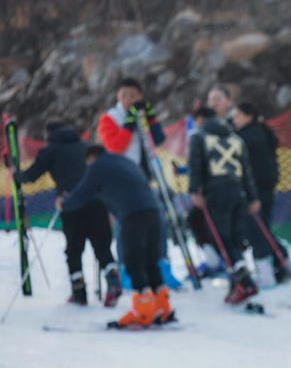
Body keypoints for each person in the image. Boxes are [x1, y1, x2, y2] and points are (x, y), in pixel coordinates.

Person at [59, 146, 175, 327]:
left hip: (132, 215)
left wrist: (64, 204)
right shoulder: (125, 161)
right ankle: (163, 305)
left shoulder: (98, 166)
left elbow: (84, 191)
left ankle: (143, 309)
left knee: (133, 260)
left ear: (91, 157)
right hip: (153, 211)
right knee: (150, 260)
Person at [14, 122, 121, 306]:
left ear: (49, 133)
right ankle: (113, 281)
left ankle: (79, 292)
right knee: (102, 247)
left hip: (70, 203)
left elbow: (32, 175)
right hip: (97, 201)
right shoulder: (85, 146)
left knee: (74, 250)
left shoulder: (50, 150)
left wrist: (16, 175)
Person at [98, 77, 182, 290]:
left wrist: (151, 118)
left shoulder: (142, 116)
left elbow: (159, 139)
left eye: (133, 95)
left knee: (157, 222)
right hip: (122, 179)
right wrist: (128, 124)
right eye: (124, 94)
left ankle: (161, 266)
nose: (128, 99)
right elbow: (115, 146)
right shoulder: (110, 117)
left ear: (141, 97)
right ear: (118, 96)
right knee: (126, 225)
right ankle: (127, 268)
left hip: (146, 176)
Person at [188, 106, 261, 303]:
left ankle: (245, 282)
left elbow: (196, 166)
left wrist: (194, 190)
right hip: (238, 193)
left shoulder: (199, 136)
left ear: (200, 119)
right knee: (235, 238)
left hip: (216, 192)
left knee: (221, 239)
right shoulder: (236, 138)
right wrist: (253, 197)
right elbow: (247, 170)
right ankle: (235, 284)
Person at [232, 101, 291, 286]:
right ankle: (286, 264)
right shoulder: (261, 130)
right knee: (263, 227)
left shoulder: (246, 136)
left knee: (255, 228)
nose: (234, 120)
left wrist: (251, 194)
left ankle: (266, 272)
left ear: (248, 116)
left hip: (256, 189)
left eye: (237, 116)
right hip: (266, 187)